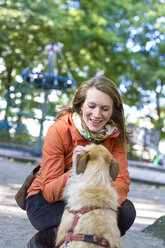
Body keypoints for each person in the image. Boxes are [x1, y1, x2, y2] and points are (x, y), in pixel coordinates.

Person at [26, 76, 136, 248]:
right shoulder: (60, 129)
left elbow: (122, 183)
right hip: (45, 201)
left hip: (91, 199)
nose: (97, 114)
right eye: (91, 106)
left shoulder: (115, 137)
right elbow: (49, 192)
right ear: (80, 105)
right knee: (78, 220)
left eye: (105, 109)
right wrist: (76, 171)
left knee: (126, 212)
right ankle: (43, 242)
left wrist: (93, 199)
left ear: (113, 111)